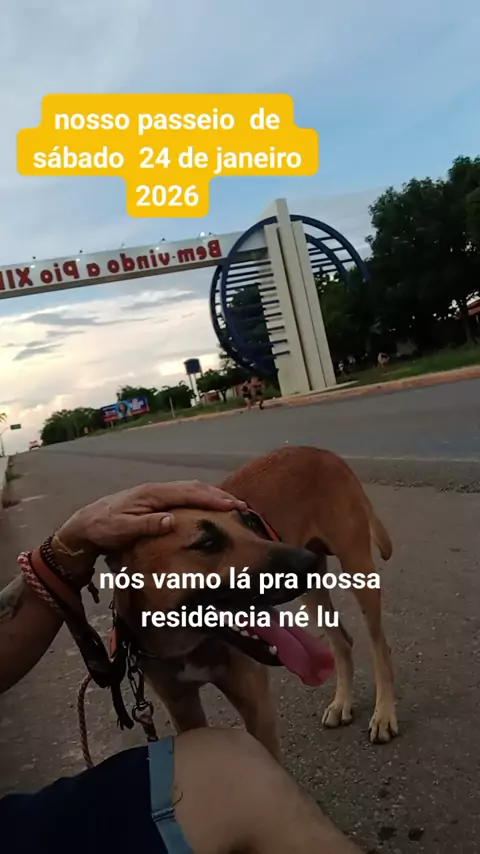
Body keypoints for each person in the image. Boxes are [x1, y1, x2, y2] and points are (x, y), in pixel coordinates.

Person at [0, 481, 362, 854]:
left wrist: (66, 545)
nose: (294, 558)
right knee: (202, 750)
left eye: (246, 526)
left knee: (257, 771)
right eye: (207, 544)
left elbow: (260, 716)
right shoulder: (148, 637)